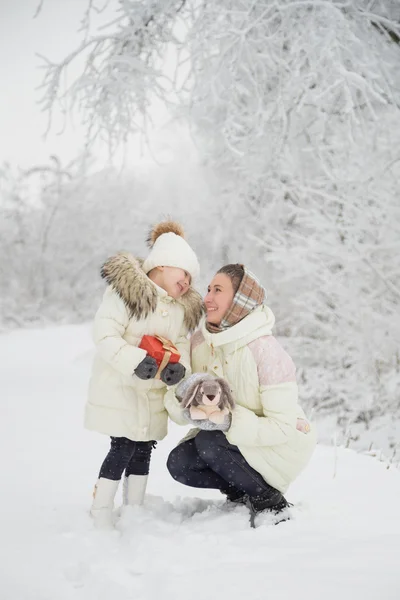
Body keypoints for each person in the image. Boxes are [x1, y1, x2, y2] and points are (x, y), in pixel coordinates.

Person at [165, 264, 316, 526]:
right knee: (180, 463)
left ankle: (270, 502)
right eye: (209, 289)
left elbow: (282, 428)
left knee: (210, 442)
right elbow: (184, 405)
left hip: (281, 446)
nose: (207, 297)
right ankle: (240, 490)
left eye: (218, 291)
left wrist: (227, 420)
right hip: (233, 444)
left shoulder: (267, 352)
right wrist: (181, 390)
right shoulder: (201, 342)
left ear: (239, 301)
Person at [85, 221, 203, 528]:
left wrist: (180, 367)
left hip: (150, 393)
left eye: (192, 278)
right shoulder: (126, 294)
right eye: (184, 273)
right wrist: (135, 360)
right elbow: (105, 334)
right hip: (120, 388)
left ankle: (134, 508)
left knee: (143, 447)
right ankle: (101, 510)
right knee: (122, 446)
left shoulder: (178, 309)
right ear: (163, 265)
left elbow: (179, 343)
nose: (188, 282)